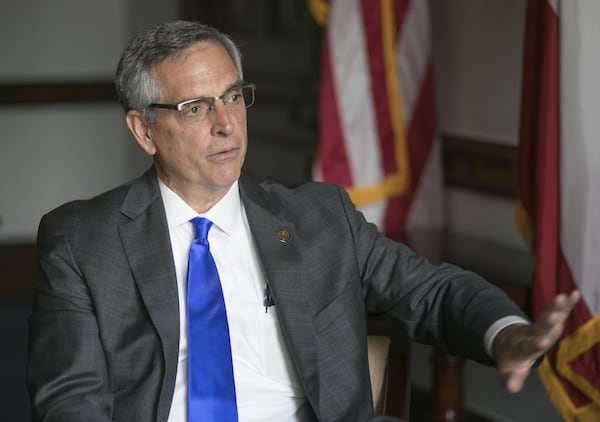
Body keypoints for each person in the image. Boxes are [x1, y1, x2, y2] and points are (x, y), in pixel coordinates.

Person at [27, 20, 580, 422]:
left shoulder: (318, 217)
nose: (226, 124)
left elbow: (431, 291)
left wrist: (507, 335)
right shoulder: (82, 240)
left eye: (233, 98)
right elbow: (70, 400)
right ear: (145, 131)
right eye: (195, 108)